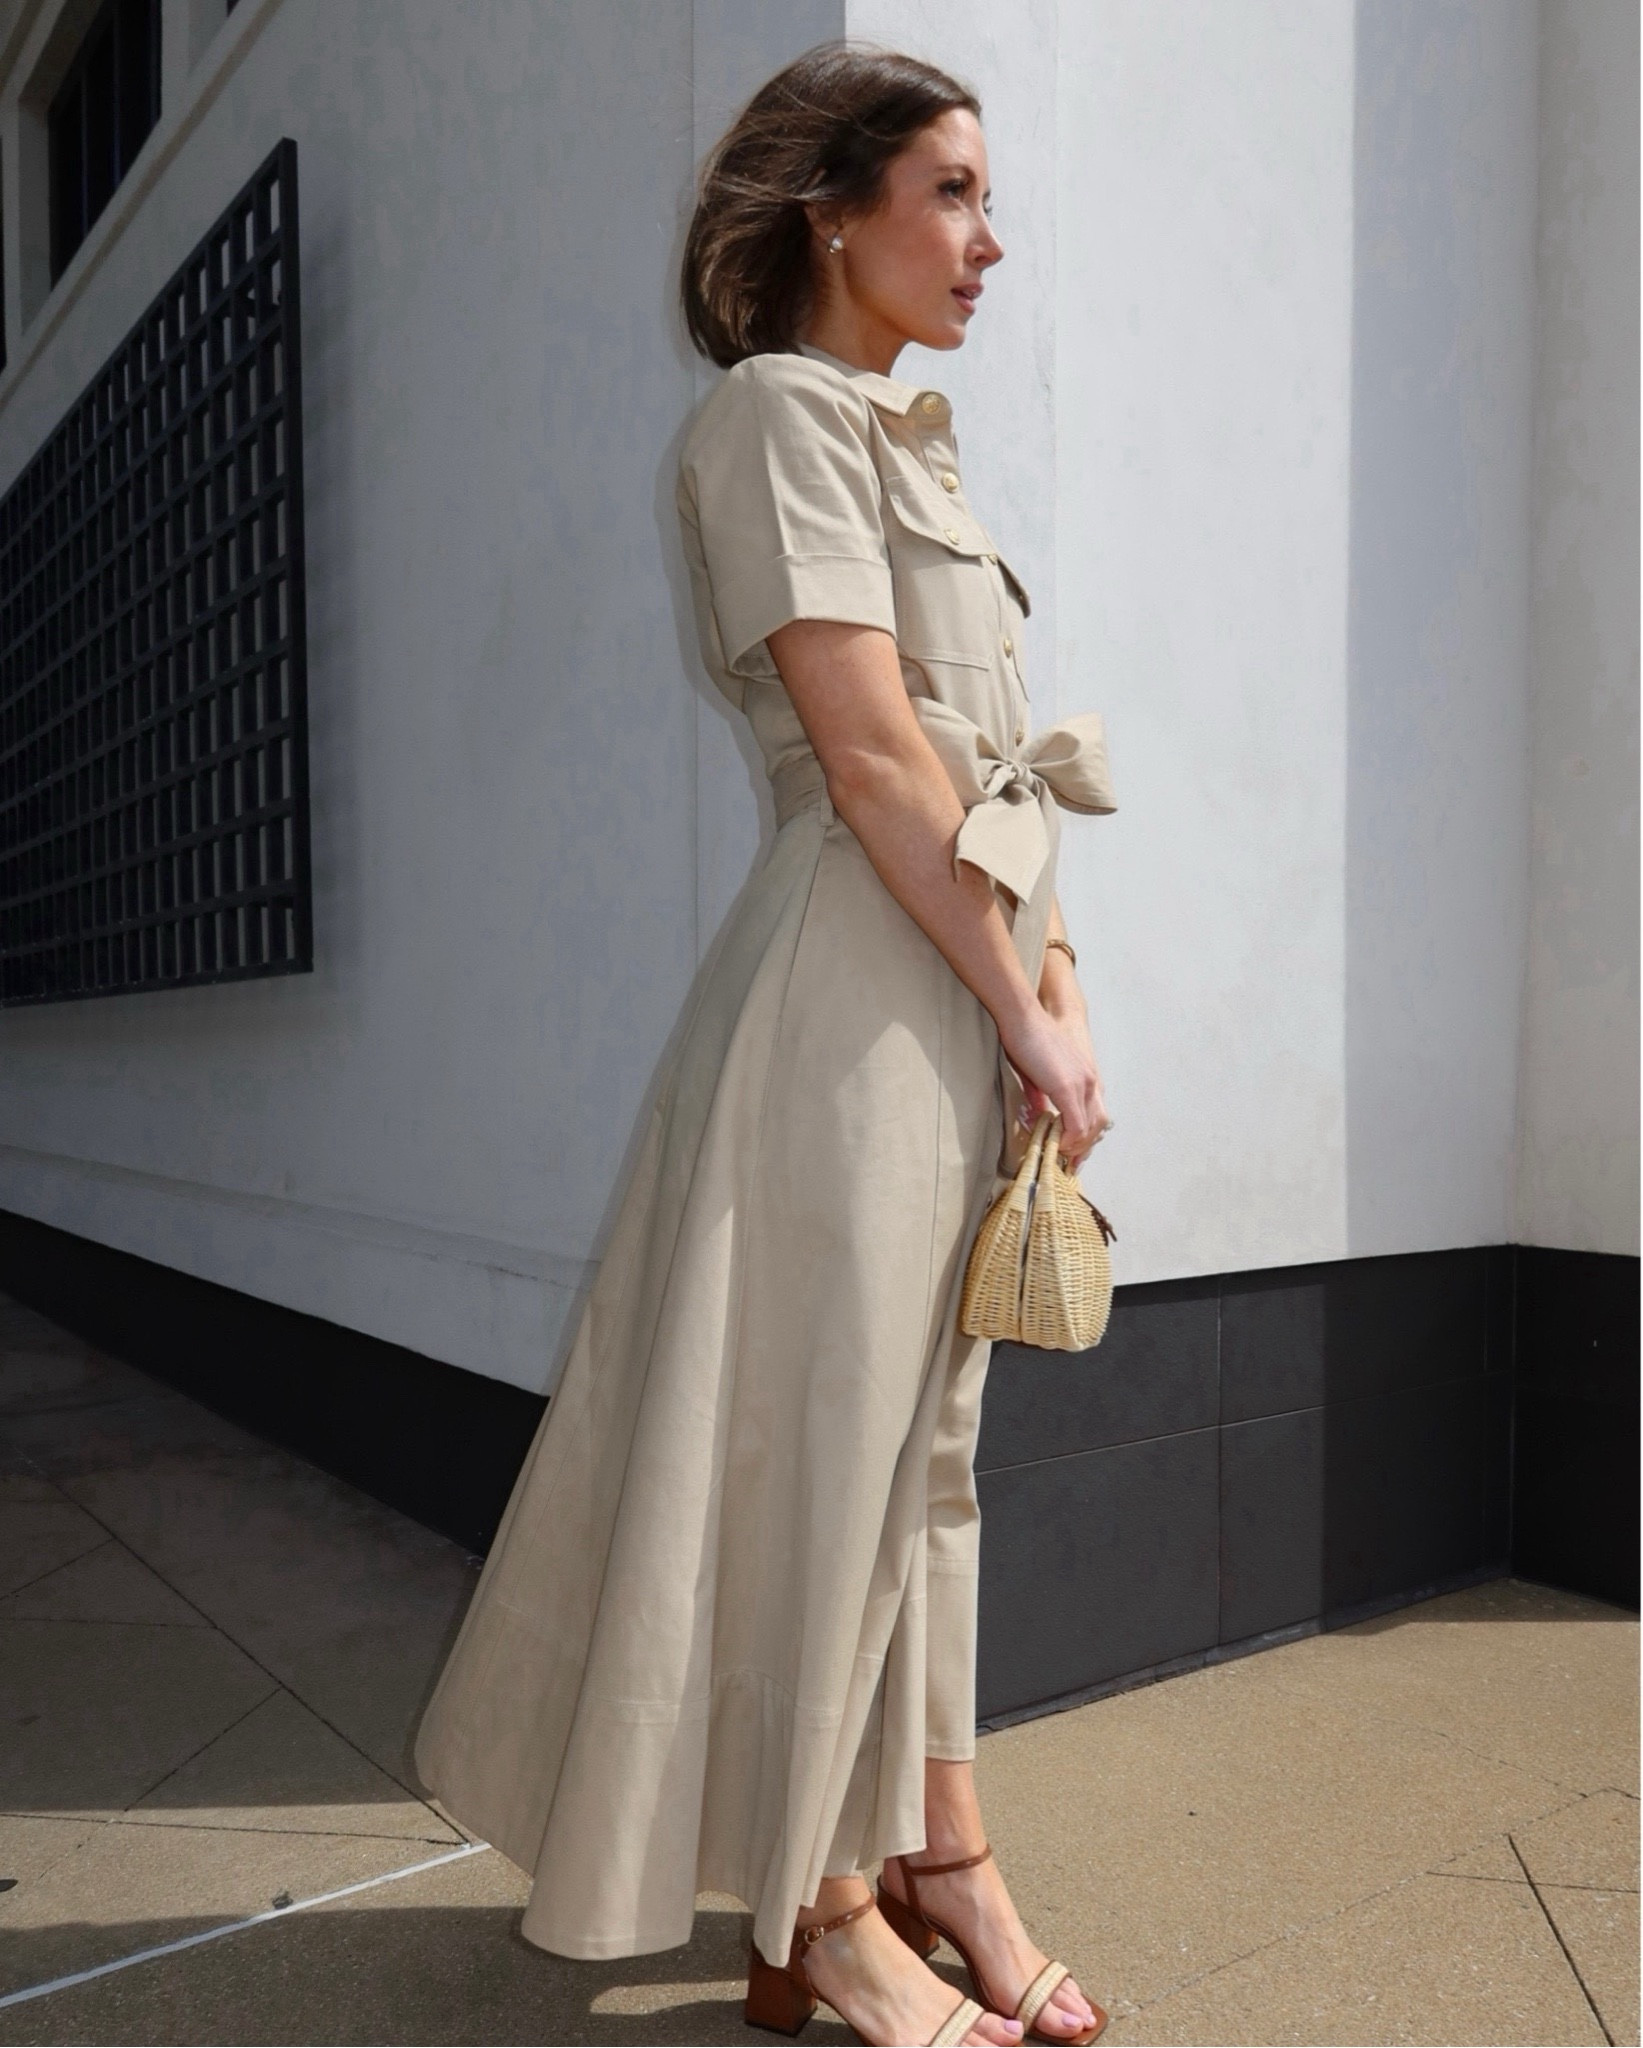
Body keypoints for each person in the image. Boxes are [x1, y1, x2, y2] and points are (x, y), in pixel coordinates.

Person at [414, 41, 1117, 2048]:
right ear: (836, 207)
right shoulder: (774, 420)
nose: (992, 239)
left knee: (934, 1459)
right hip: (856, 998)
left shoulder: (908, 447)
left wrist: (1063, 1000)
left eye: (990, 196)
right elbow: (877, 757)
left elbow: (986, 774)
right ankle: (821, 1907)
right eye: (955, 192)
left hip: (956, 984)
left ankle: (940, 1855)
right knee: (829, 1457)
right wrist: (1025, 1018)